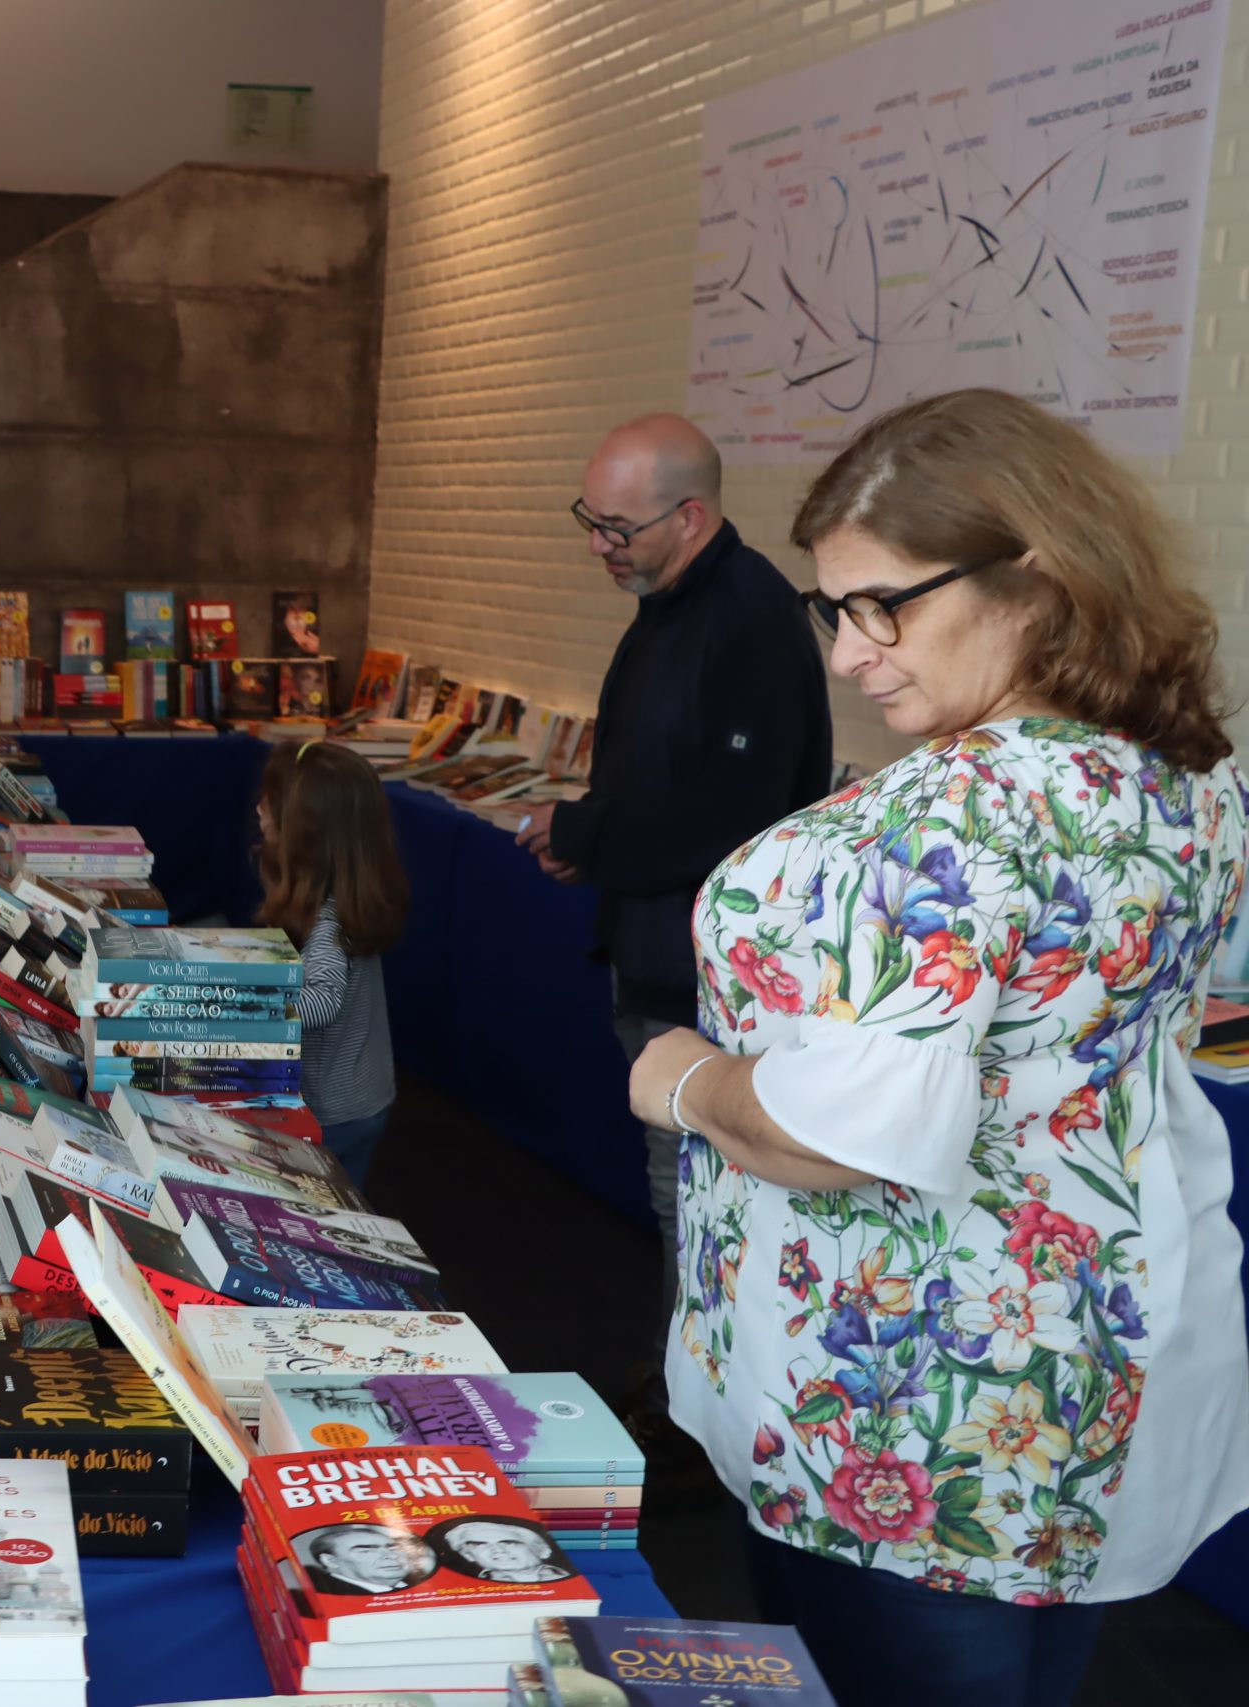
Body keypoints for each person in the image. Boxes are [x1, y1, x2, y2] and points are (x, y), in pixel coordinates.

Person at [626, 390, 1249, 1706]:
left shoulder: (923, 833)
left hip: (896, 1404)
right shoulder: (1193, 779)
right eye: (833, 608)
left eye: (882, 606)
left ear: (1036, 578)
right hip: (1099, 1358)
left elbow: (829, 1135)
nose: (851, 655)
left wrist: (679, 1074)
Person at [515, 413, 833, 1398]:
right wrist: (591, 834)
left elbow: (732, 818)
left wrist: (585, 836)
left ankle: (690, 1406)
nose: (597, 546)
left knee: (693, 1190)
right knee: (676, 1186)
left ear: (689, 516)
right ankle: (681, 1385)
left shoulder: (747, 620)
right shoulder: (670, 600)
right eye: (591, 521)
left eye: (616, 528)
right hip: (653, 941)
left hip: (708, 976)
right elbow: (657, 774)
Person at [256, 739, 408, 1187]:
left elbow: (323, 1000)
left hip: (335, 1111)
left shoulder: (329, 919)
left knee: (322, 1206)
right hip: (363, 1096)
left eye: (270, 802)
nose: (259, 809)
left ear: (305, 831)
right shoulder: (348, 897)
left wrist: (243, 1008)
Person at [300, 1522, 434, 1596]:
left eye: (393, 1548)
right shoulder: (320, 1597)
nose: (392, 1556)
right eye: (366, 1550)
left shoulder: (425, 1586)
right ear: (331, 1561)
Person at [432, 1517, 573, 1583]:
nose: (498, 1550)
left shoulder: (570, 1576)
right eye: (481, 1544)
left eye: (508, 1542)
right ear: (469, 1556)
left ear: (540, 1549)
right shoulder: (460, 1587)